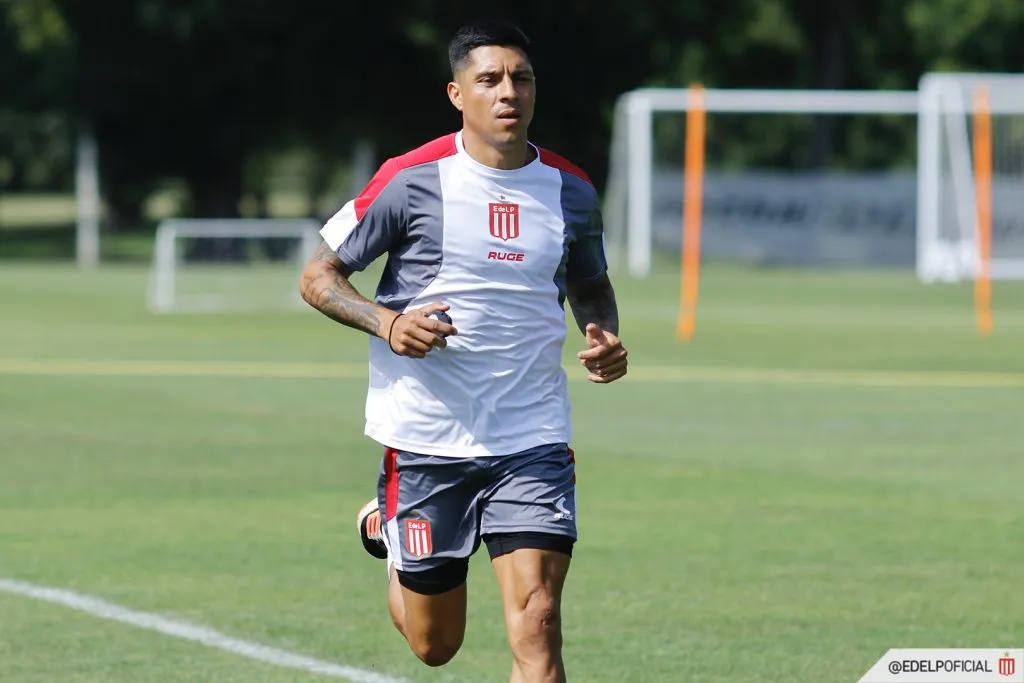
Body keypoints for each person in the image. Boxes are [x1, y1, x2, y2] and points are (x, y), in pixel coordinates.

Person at [299, 18, 627, 683]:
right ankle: (390, 531)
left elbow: (591, 284)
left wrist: (605, 335)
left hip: (531, 435)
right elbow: (318, 276)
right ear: (457, 93)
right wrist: (388, 322)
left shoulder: (571, 190)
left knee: (538, 621)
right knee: (434, 644)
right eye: (490, 79)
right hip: (426, 438)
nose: (509, 92)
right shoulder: (410, 179)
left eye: (521, 78)